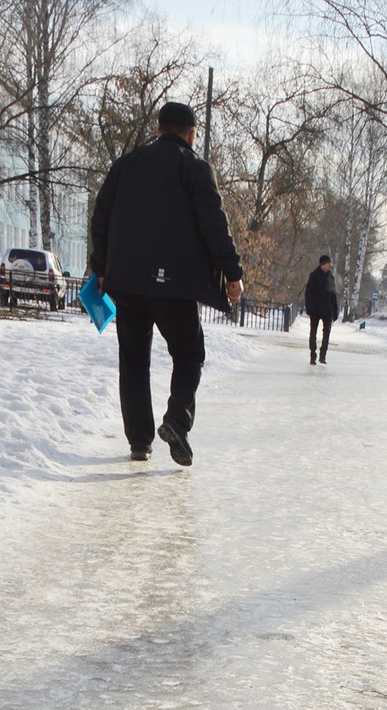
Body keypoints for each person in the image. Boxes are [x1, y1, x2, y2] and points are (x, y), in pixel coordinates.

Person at [90, 101, 244, 466]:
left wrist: (100, 267)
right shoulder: (195, 169)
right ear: (191, 135)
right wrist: (232, 274)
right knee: (189, 353)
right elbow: (213, 225)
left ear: (158, 130)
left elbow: (101, 217)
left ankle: (140, 441)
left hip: (127, 283)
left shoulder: (125, 166)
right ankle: (176, 420)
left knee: (133, 358)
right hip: (175, 285)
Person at [304, 255, 338, 365]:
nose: (330, 266)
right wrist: (309, 307)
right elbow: (308, 293)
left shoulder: (330, 277)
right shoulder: (314, 276)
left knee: (326, 333)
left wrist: (335, 311)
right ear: (323, 264)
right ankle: (312, 355)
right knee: (313, 332)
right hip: (315, 309)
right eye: (328, 263)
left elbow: (333, 295)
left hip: (327, 310)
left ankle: (323, 356)